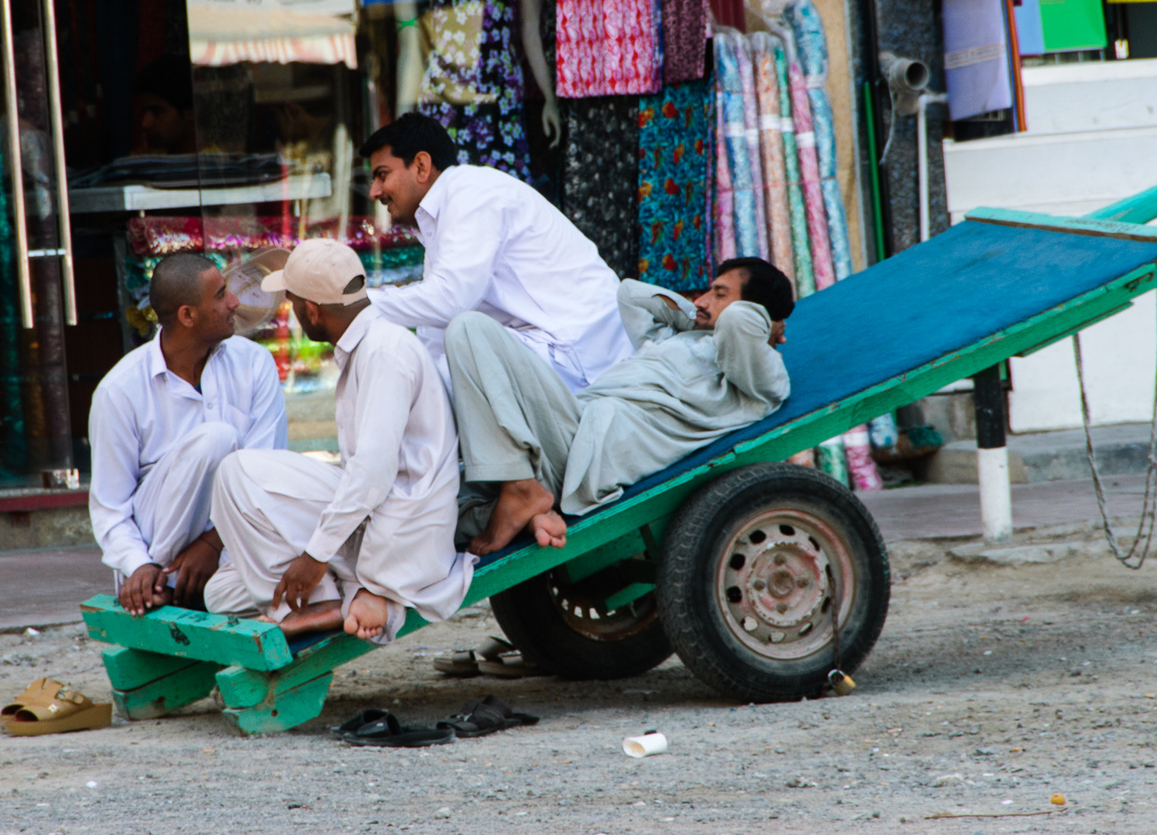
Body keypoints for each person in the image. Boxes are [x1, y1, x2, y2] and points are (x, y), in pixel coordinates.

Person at [203, 240, 473, 643]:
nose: (293, 316)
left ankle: (319, 602)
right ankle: (331, 598)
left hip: (401, 535)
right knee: (218, 594)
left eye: (294, 305)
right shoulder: (368, 346)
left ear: (312, 309)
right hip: (378, 520)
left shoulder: (385, 352)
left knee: (234, 471)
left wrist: (314, 557)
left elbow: (372, 473)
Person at [449, 257, 794, 554]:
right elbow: (630, 293)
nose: (702, 300)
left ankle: (522, 492)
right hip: (568, 426)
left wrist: (770, 320)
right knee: (441, 507)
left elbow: (738, 323)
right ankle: (527, 507)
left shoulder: (757, 382)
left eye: (719, 294)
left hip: (587, 451)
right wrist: (695, 314)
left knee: (468, 328)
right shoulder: (674, 338)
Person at [362, 113, 632, 392]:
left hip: (582, 356)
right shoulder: (444, 212)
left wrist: (358, 304)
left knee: (459, 347)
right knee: (413, 380)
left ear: (421, 166)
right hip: (559, 349)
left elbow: (450, 300)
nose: (374, 191)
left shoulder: (472, 194)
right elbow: (435, 328)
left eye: (383, 175)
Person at [88, 252, 288, 615]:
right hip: (155, 542)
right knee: (216, 440)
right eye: (221, 294)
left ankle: (184, 586)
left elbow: (267, 478)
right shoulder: (119, 390)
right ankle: (158, 580)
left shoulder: (254, 364)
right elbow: (110, 509)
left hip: (233, 546)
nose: (235, 302)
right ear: (187, 315)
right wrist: (140, 565)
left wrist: (213, 544)